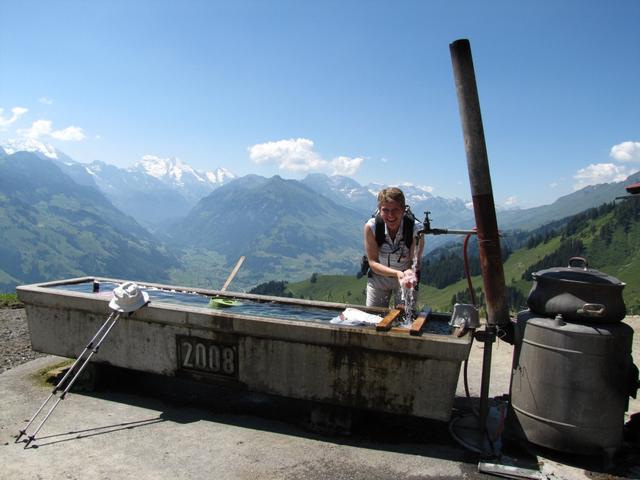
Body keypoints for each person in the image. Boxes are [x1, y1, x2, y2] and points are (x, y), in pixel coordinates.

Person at [364, 187, 425, 308]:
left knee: (405, 318)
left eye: (395, 210)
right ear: (379, 210)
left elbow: (414, 262)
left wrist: (407, 273)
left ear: (403, 209)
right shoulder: (371, 227)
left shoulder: (417, 230)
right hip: (379, 278)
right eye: (385, 210)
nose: (390, 215)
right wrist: (397, 273)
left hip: (405, 278)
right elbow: (372, 262)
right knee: (373, 317)